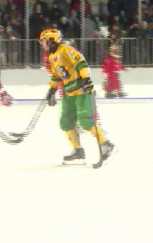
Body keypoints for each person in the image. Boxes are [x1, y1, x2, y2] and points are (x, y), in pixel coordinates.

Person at [39, 28, 115, 165]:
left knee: (86, 121)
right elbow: (55, 75)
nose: (42, 44)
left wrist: (85, 78)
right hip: (68, 92)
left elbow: (80, 62)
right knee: (65, 122)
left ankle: (106, 145)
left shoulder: (64, 49)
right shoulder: (51, 56)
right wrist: (52, 90)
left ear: (51, 40)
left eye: (43, 41)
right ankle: (77, 151)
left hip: (81, 89)